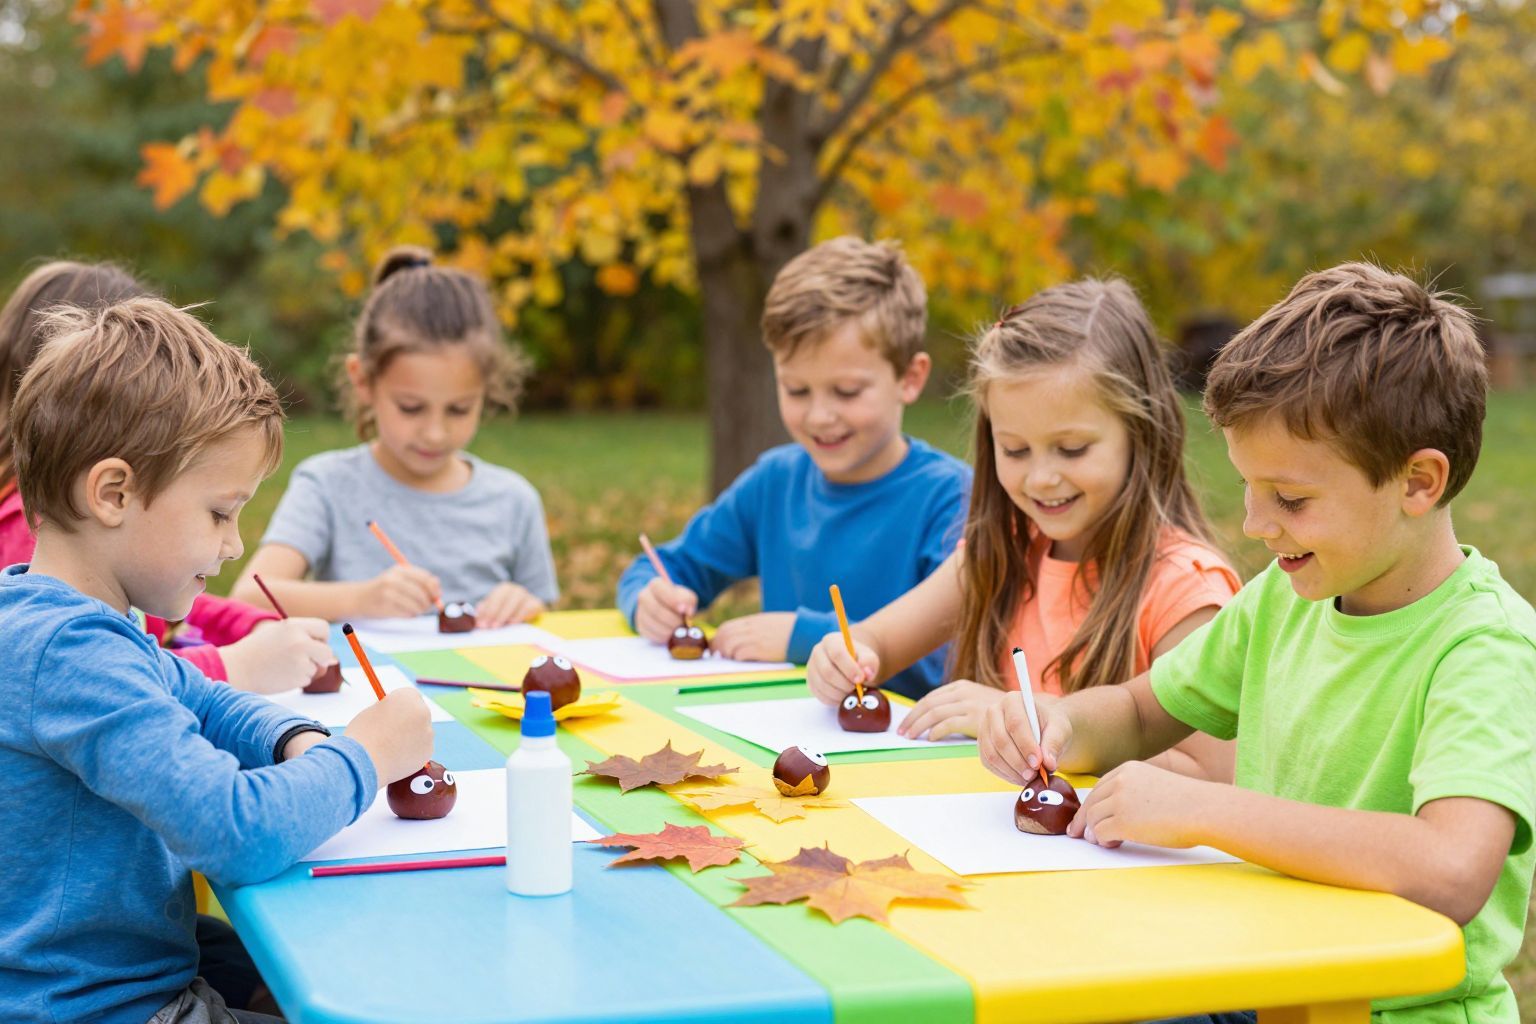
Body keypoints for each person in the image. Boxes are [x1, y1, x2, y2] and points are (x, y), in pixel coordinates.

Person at [980, 264, 1536, 1024]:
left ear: (1418, 483)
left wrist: (1206, 810)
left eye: (1292, 499)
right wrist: (1060, 723)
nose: (1254, 524)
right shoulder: (1285, 596)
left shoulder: (1484, 648)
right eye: (1248, 488)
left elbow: (1450, 868)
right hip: (1270, 985)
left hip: (1396, 1011)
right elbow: (1145, 712)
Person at [0, 297, 433, 1024]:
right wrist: (365, 756)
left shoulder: (62, 617)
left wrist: (295, 739)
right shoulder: (70, 653)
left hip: (108, 964)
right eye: (219, 513)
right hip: (98, 1006)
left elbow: (198, 694)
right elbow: (235, 833)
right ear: (114, 493)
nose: (233, 546)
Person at [807, 279, 1237, 784]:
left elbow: (1210, 774)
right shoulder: (1001, 551)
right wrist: (845, 655)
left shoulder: (1185, 592)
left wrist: (1019, 722)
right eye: (1014, 450)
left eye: (1072, 449)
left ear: (1142, 433)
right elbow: (877, 640)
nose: (1041, 478)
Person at [234, 246, 557, 626]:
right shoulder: (328, 486)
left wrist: (524, 604)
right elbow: (249, 598)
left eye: (459, 409)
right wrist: (362, 598)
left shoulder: (514, 501)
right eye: (410, 407)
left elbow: (544, 614)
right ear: (363, 381)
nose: (435, 433)